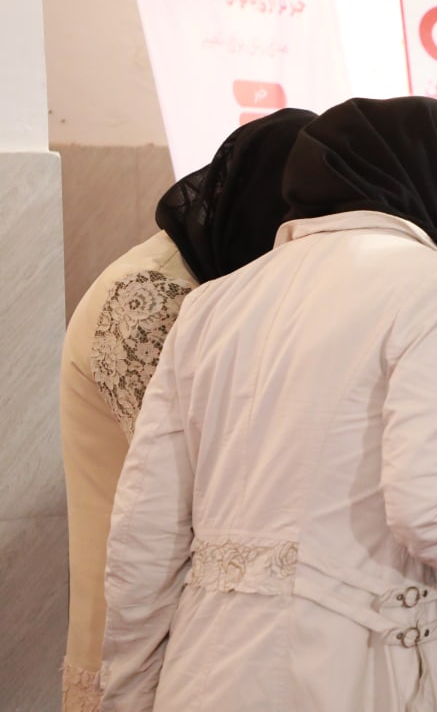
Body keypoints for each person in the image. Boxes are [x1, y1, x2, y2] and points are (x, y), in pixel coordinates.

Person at [99, 97, 437, 711]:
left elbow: (146, 535)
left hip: (203, 674)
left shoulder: (216, 301)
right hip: (345, 675)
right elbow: (436, 512)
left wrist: (127, 698)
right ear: (434, 180)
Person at [59, 107, 315, 711]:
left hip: (205, 633)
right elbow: (210, 488)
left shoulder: (215, 289)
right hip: (139, 639)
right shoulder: (148, 297)